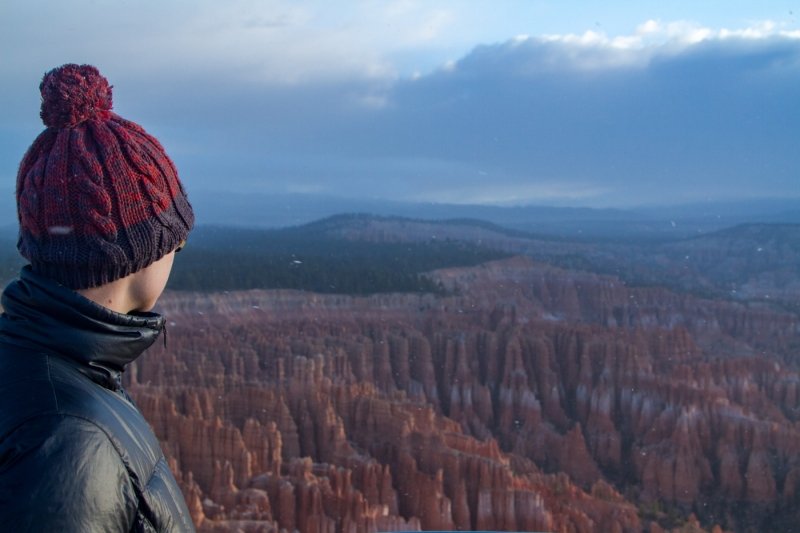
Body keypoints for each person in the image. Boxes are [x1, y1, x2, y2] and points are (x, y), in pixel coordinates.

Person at [0, 64, 196, 532]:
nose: (181, 248)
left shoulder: (46, 372)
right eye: (172, 237)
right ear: (139, 255)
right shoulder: (68, 439)